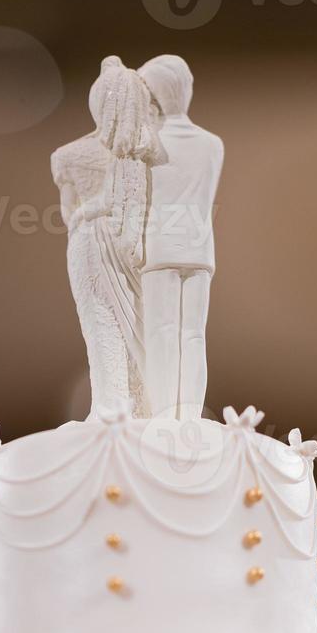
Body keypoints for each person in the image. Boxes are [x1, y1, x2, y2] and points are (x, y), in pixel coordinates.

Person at [51, 57, 164, 419]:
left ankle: (111, 407)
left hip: (89, 239)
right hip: (136, 244)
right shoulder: (149, 153)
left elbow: (69, 211)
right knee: (142, 325)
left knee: (99, 322)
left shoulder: (66, 157)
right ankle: (143, 406)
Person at [138, 54, 224, 421]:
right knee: (193, 334)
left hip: (159, 245)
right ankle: (187, 413)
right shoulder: (211, 143)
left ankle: (162, 412)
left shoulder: (147, 143)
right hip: (199, 244)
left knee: (161, 331)